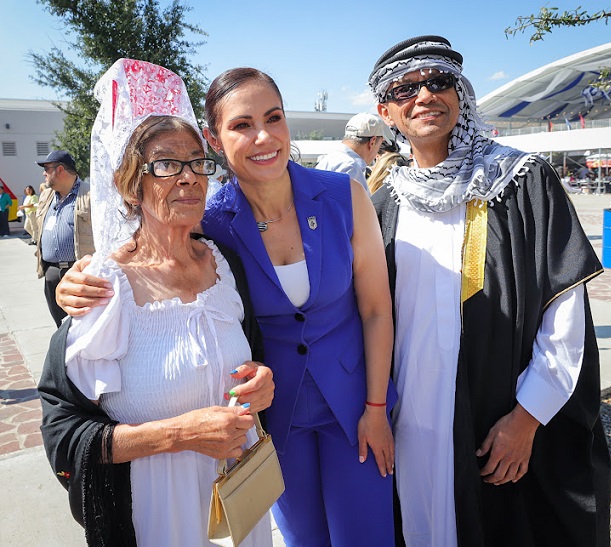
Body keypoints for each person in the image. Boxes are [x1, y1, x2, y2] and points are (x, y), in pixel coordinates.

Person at [56, 66, 397, 546]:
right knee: (303, 540)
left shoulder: (345, 196)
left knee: (367, 536)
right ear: (216, 140)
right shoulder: (211, 223)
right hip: (275, 420)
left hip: (356, 405)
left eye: (273, 117)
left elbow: (377, 310)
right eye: (241, 125)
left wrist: (377, 407)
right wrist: (72, 282)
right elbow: (149, 252)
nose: (263, 136)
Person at [368, 35, 610, 546]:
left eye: (438, 82)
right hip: (411, 422)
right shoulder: (384, 203)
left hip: (500, 420)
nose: (425, 96)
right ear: (386, 111)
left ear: (462, 94)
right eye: (405, 89)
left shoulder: (519, 181)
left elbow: (564, 319)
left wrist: (527, 419)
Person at [38, 59, 274, 547]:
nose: (188, 177)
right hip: (159, 518)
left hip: (240, 507)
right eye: (166, 164)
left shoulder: (223, 264)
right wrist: (179, 435)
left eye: (196, 162)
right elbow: (63, 433)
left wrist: (261, 381)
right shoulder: (106, 288)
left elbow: (247, 355)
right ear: (131, 184)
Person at [34, 150, 95, 326]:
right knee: (60, 326)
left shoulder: (90, 195)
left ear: (60, 170)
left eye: (47, 168)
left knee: (83, 325)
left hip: (79, 273)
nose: (43, 173)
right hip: (51, 273)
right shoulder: (46, 195)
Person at [315, 112, 393, 193]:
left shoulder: (330, 159)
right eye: (379, 146)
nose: (377, 151)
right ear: (372, 142)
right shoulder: (350, 167)